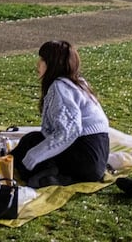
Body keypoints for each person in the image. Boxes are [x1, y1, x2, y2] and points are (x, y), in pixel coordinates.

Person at [10, 40, 110, 188]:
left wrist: (34, 156)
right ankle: (57, 175)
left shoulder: (60, 88)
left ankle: (51, 176)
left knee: (30, 146)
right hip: (98, 157)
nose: (38, 64)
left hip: (85, 158)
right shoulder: (78, 83)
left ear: (53, 64)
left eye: (43, 60)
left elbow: (68, 131)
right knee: (32, 139)